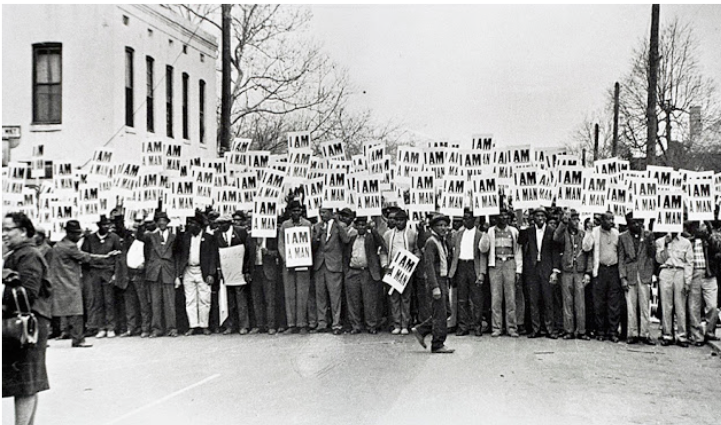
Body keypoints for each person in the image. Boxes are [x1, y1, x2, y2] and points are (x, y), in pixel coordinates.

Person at [2, 212, 52, 425]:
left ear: (23, 231)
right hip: (24, 323)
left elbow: (28, 293)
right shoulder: (18, 253)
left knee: (25, 383)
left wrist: (6, 283)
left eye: (8, 229)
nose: (3, 234)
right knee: (26, 382)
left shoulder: (28, 255)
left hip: (25, 325)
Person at [49, 220, 118, 347]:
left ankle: (69, 334)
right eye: (76, 234)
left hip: (60, 281)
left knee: (65, 311)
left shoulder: (59, 245)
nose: (78, 236)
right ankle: (78, 339)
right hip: (69, 282)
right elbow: (87, 257)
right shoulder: (69, 246)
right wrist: (106, 257)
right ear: (69, 233)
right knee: (77, 312)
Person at [411, 214, 454, 354]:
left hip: (443, 278)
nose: (443, 228)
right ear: (433, 227)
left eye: (445, 225)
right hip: (436, 280)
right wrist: (435, 287)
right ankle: (437, 343)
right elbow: (428, 265)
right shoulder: (431, 242)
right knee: (440, 313)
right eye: (440, 226)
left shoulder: (443, 241)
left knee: (446, 311)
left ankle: (421, 330)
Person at [479, 208, 522, 337]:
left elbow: (518, 251)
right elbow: (483, 248)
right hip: (495, 264)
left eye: (506, 216)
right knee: (496, 298)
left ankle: (511, 328)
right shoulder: (491, 231)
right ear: (496, 218)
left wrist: (518, 269)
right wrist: (485, 233)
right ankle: (497, 327)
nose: (503, 218)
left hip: (509, 263)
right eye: (500, 216)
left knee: (510, 298)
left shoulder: (513, 231)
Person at [137, 211, 180, 337]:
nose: (162, 223)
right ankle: (156, 329)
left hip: (168, 271)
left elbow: (177, 256)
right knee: (155, 302)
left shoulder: (174, 237)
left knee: (170, 302)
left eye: (164, 221)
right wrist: (141, 223)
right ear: (156, 223)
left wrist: (177, 275)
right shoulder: (150, 236)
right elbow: (139, 237)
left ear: (168, 222)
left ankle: (172, 328)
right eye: (159, 221)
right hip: (154, 272)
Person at [518, 207, 559, 339]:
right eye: (537, 216)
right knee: (533, 300)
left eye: (542, 216)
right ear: (533, 218)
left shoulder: (552, 231)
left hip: (546, 268)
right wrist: (523, 226)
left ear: (546, 218)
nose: (540, 218)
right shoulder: (528, 231)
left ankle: (549, 329)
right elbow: (520, 241)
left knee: (548, 300)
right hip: (532, 269)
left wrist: (554, 271)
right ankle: (535, 329)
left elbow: (555, 252)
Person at [553, 209, 593, 340]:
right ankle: (568, 330)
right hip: (567, 272)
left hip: (580, 272)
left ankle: (581, 331)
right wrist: (563, 223)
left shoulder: (583, 234)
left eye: (577, 220)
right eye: (573, 220)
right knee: (567, 301)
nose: (576, 222)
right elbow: (555, 237)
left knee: (580, 303)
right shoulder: (563, 233)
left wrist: (588, 272)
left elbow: (589, 253)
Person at [617, 212, 657, 345]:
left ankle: (645, 334)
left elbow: (652, 255)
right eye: (633, 222)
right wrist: (622, 277)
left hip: (644, 273)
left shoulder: (647, 235)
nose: (637, 224)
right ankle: (632, 333)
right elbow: (621, 259)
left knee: (645, 306)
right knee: (631, 306)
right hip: (630, 274)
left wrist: (651, 241)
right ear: (628, 223)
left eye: (639, 222)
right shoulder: (622, 237)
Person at [81, 214, 123, 338]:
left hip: (108, 271)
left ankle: (111, 327)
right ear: (98, 225)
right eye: (104, 225)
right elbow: (85, 254)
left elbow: (118, 256)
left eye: (108, 225)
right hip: (95, 272)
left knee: (109, 300)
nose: (107, 227)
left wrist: (116, 273)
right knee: (97, 300)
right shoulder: (90, 238)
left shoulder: (114, 237)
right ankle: (101, 327)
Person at [344, 216, 387, 334]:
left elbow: (382, 244)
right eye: (359, 225)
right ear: (355, 226)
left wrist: (373, 229)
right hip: (353, 271)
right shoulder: (352, 239)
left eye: (363, 225)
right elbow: (346, 254)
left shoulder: (371, 237)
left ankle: (371, 325)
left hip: (367, 272)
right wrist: (347, 271)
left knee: (370, 301)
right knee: (353, 300)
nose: (361, 227)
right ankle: (356, 326)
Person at [178, 215, 219, 336]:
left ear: (199, 225)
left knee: (204, 299)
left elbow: (213, 256)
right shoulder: (185, 237)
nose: (190, 225)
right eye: (189, 223)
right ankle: (192, 325)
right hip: (188, 270)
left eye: (193, 223)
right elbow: (178, 252)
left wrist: (211, 273)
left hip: (203, 271)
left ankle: (204, 325)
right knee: (190, 299)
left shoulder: (209, 238)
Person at [448, 208, 487, 337]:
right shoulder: (458, 234)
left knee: (476, 299)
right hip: (461, 266)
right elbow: (452, 250)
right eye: (463, 218)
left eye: (467, 218)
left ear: (474, 220)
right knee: (461, 298)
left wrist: (482, 273)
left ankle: (477, 326)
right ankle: (462, 326)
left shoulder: (480, 234)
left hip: (473, 266)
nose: (465, 221)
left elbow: (483, 255)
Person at [312, 206, 350, 335]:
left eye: (324, 212)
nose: (322, 215)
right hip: (319, 265)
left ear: (331, 213)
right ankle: (322, 322)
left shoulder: (340, 226)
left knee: (335, 296)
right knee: (320, 295)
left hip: (333, 265)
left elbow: (346, 240)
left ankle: (336, 323)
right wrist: (317, 236)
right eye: (320, 212)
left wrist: (338, 224)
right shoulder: (317, 227)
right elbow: (312, 246)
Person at [381, 209, 419, 335]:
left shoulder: (412, 234)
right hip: (393, 267)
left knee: (406, 297)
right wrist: (385, 265)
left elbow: (416, 250)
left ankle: (405, 324)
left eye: (402, 220)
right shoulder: (388, 235)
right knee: (394, 297)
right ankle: (396, 324)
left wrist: (413, 262)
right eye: (397, 220)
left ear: (406, 221)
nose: (399, 223)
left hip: (406, 269)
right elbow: (384, 251)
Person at [278, 201, 314, 334]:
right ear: (289, 212)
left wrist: (303, 256)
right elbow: (281, 244)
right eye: (293, 211)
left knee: (302, 293)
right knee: (290, 294)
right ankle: (291, 323)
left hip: (303, 263)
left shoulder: (307, 224)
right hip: (289, 264)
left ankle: (302, 323)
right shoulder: (285, 225)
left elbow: (309, 242)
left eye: (298, 210)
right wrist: (286, 259)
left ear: (302, 212)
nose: (296, 213)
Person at [655, 225, 694, 347]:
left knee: (680, 305)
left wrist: (687, 280)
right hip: (666, 271)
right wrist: (666, 245)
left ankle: (682, 336)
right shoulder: (660, 241)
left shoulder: (686, 243)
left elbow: (689, 263)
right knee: (666, 305)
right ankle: (667, 335)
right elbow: (659, 259)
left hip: (679, 272)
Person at [215, 214, 252, 335]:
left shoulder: (241, 232)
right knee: (229, 299)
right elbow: (216, 253)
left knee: (241, 298)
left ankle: (244, 325)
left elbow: (247, 251)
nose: (220, 226)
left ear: (229, 223)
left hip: (238, 270)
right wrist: (219, 269)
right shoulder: (217, 234)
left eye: (223, 224)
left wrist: (246, 269)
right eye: (219, 224)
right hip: (227, 271)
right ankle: (230, 325)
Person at [590, 211, 622, 343]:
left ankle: (613, 331)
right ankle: (600, 331)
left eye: (612, 219)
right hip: (600, 270)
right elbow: (586, 247)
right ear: (602, 220)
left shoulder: (616, 234)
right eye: (608, 219)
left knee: (613, 303)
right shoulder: (594, 232)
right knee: (599, 302)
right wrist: (588, 231)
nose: (611, 222)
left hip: (613, 270)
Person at [686, 221, 719, 346]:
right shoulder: (689, 239)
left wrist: (709, 232)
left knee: (713, 306)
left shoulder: (711, 238)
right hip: (694, 273)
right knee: (694, 306)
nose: (701, 229)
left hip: (709, 274)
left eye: (703, 226)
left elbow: (717, 246)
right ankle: (697, 336)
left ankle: (709, 331)